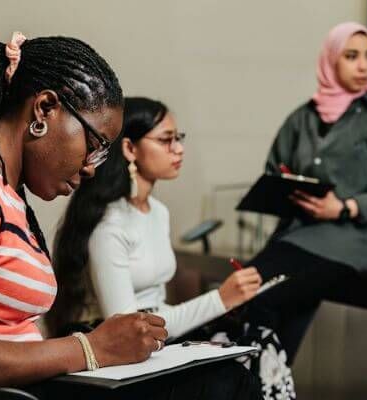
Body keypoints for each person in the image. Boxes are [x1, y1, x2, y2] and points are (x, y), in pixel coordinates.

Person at [0, 33, 259, 400]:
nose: (92, 168)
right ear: (44, 109)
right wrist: (91, 349)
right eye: (93, 147)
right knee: (223, 386)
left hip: (19, 389)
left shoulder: (5, 192)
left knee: (224, 377)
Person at [48, 97, 295, 399]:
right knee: (239, 369)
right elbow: (127, 327)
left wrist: (224, 302)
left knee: (263, 339)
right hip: (118, 344)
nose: (178, 149)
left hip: (160, 333)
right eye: (166, 140)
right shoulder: (108, 225)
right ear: (129, 149)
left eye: (179, 138)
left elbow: (157, 305)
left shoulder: (158, 212)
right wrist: (220, 299)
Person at [244, 22, 367, 363]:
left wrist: (344, 207)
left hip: (362, 236)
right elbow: (274, 170)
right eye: (351, 56)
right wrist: (288, 189)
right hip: (304, 232)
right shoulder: (302, 118)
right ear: (330, 60)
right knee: (246, 288)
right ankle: (261, 383)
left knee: (265, 296)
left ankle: (260, 382)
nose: (363, 65)